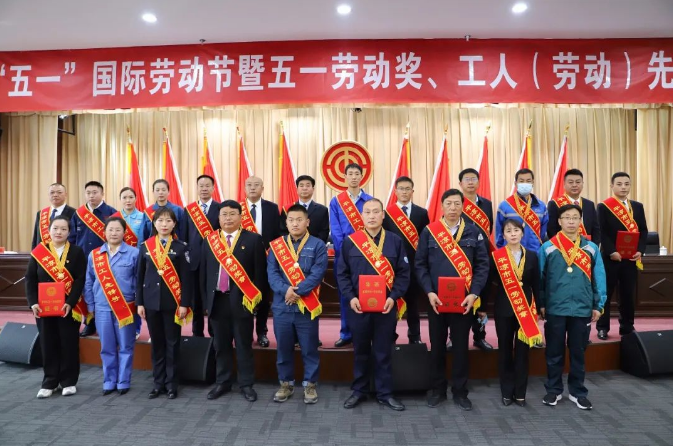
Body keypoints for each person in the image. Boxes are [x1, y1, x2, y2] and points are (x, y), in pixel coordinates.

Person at [416, 189, 490, 411]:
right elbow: (420, 264)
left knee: (460, 348)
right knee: (437, 347)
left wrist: (473, 293)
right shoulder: (430, 231)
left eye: (457, 204)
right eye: (448, 203)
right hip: (436, 301)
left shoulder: (473, 231)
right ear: (442, 206)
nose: (453, 208)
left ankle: (460, 392)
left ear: (463, 206)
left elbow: (482, 265)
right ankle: (438, 390)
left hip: (464, 302)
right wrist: (429, 292)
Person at [337, 198, 410, 411]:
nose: (371, 216)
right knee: (360, 351)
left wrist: (393, 297)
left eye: (376, 212)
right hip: (358, 308)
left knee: (383, 352)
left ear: (383, 215)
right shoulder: (351, 241)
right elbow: (342, 274)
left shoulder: (395, 241)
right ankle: (359, 391)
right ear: (361, 216)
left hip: (386, 307)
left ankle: (385, 393)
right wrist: (351, 297)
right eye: (367, 212)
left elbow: (404, 274)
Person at [539, 204, 607, 410]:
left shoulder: (591, 248)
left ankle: (578, 392)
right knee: (554, 352)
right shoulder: (548, 247)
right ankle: (553, 390)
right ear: (559, 221)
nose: (571, 221)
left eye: (575, 217)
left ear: (580, 221)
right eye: (567, 217)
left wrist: (598, 305)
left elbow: (599, 278)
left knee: (578, 353)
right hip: (555, 308)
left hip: (582, 308)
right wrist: (541, 303)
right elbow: (540, 280)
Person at [201, 200, 267, 402]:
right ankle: (223, 382)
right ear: (218, 217)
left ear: (241, 217)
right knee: (220, 345)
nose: (228, 218)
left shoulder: (253, 240)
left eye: (232, 214)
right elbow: (204, 273)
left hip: (242, 302)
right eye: (224, 214)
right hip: (217, 301)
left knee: (243, 344)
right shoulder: (210, 240)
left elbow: (260, 275)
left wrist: (256, 302)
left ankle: (246, 384)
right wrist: (205, 302)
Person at [267, 204, 328, 404]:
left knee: (309, 348)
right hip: (282, 305)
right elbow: (272, 274)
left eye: (299, 220)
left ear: (307, 222)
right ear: (286, 223)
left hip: (306, 306)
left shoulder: (318, 245)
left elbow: (317, 274)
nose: (295, 223)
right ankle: (286, 383)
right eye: (291, 220)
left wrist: (297, 292)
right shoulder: (276, 246)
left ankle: (310, 385)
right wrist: (286, 290)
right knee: (283, 348)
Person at [25, 215, 87, 398]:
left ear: (69, 232)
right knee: (48, 343)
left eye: (63, 229)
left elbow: (80, 280)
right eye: (55, 228)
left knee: (68, 343)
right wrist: (33, 302)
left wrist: (70, 302)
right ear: (49, 230)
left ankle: (68, 381)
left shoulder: (76, 252)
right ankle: (49, 382)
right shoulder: (39, 252)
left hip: (68, 307)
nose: (59, 232)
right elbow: (30, 279)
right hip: (44, 308)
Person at [137, 207, 192, 400]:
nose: (164, 224)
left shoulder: (181, 247)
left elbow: (187, 279)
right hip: (151, 303)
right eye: (160, 220)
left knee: (172, 344)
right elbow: (139, 277)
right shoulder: (146, 246)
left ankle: (171, 384)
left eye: (169, 220)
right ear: (154, 223)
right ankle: (158, 383)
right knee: (157, 344)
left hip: (173, 304)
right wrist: (140, 303)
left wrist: (184, 304)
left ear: (174, 224)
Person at [84, 217, 139, 395]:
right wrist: (90, 305)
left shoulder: (134, 254)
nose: (114, 233)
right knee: (106, 346)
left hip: (125, 307)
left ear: (124, 233)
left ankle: (123, 381)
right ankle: (109, 380)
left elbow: (139, 281)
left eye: (117, 230)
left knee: (126, 346)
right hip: (101, 307)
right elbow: (88, 281)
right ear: (104, 232)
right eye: (110, 230)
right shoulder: (94, 255)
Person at [488, 219, 541, 407]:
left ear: (522, 233)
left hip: (525, 309)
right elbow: (489, 283)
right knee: (504, 351)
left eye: (516, 230)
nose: (512, 234)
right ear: (503, 235)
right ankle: (506, 391)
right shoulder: (497, 257)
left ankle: (520, 393)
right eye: (508, 231)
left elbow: (537, 283)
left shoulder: (532, 256)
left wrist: (541, 306)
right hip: (503, 308)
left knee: (522, 353)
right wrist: (483, 307)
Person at [596, 172, 648, 340]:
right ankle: (602, 327)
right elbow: (601, 231)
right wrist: (611, 251)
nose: (623, 187)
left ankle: (627, 327)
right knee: (605, 294)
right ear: (612, 186)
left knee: (627, 295)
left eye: (626, 184)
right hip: (610, 259)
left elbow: (643, 230)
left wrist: (640, 250)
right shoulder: (604, 206)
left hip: (631, 259)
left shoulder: (637, 207)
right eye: (619, 184)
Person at [329, 163, 373, 347]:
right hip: (344, 255)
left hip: (367, 255)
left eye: (357, 174)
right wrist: (345, 251)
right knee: (345, 293)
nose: (354, 177)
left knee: (368, 292)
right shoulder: (336, 201)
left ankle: (366, 333)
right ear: (345, 177)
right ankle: (346, 333)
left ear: (362, 177)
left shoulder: (370, 201)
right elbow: (335, 229)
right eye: (350, 174)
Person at [382, 176, 429, 343]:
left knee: (413, 303)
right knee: (392, 302)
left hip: (414, 266)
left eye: (407, 189)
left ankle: (414, 336)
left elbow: (425, 240)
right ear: (395, 191)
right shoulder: (387, 214)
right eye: (401, 189)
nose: (404, 192)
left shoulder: (421, 213)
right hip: (393, 266)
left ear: (412, 191)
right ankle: (390, 336)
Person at [68, 181, 117, 338]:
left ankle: (108, 324)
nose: (91, 196)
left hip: (105, 260)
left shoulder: (111, 213)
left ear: (102, 194)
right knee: (85, 291)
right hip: (82, 260)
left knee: (104, 291)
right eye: (88, 193)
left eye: (95, 192)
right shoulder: (78, 214)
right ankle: (89, 322)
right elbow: (72, 238)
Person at [241, 175, 281, 348]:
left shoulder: (272, 208)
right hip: (242, 261)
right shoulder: (238, 209)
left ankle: (262, 332)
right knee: (244, 296)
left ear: (262, 188)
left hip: (266, 259)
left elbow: (277, 235)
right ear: (244, 188)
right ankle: (246, 332)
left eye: (256, 185)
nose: (252, 188)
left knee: (263, 297)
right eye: (249, 185)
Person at [457, 168, 495, 351]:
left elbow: (489, 229)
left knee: (482, 296)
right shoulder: (456, 202)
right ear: (460, 183)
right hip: (460, 256)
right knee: (460, 296)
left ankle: (480, 336)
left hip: (481, 256)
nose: (470, 182)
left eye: (474, 179)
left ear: (479, 182)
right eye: (467, 179)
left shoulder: (486, 204)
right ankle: (454, 337)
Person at [180, 174, 220, 338]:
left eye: (207, 186)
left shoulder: (220, 208)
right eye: (201, 186)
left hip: (215, 261)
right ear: (197, 188)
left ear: (213, 188)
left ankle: (214, 333)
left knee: (212, 299)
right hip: (194, 262)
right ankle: (197, 334)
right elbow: (184, 237)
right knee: (196, 301)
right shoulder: (189, 210)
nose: (204, 189)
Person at [115, 186, 152, 339]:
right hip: (118, 260)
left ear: (136, 199)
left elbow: (146, 238)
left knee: (137, 293)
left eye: (131, 197)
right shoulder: (115, 218)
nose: (128, 200)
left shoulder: (143, 217)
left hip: (137, 258)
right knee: (121, 293)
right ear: (120, 199)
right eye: (124, 197)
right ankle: (122, 326)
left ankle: (137, 328)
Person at [495, 169, 548, 252]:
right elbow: (499, 233)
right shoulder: (505, 206)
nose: (525, 184)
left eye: (528, 181)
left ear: (533, 183)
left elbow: (542, 233)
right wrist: (502, 251)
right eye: (521, 181)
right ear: (515, 183)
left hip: (534, 252)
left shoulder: (541, 206)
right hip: (511, 252)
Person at [547, 169, 601, 241]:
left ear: (582, 184)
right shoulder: (554, 203)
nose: (574, 185)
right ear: (564, 184)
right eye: (570, 182)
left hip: (586, 245)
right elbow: (551, 230)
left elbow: (596, 229)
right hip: (563, 245)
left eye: (578, 182)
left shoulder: (589, 204)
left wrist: (593, 245)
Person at [280, 175, 330, 243]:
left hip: (315, 246)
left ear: (313, 189)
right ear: (297, 189)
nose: (304, 188)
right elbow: (283, 231)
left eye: (308, 186)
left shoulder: (322, 210)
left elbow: (324, 232)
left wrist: (315, 245)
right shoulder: (287, 209)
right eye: (301, 185)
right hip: (292, 246)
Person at [31, 182, 76, 249]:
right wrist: (33, 252)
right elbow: (35, 237)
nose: (55, 195)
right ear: (48, 195)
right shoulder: (41, 213)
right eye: (52, 192)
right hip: (43, 252)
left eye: (59, 192)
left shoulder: (74, 213)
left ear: (66, 195)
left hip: (65, 252)